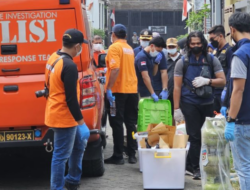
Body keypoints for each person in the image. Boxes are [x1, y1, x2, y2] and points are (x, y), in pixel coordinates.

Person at [173, 31, 226, 179]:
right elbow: (177, 87)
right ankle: (196, 168)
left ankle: (200, 164)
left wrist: (208, 81)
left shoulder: (211, 59)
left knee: (207, 136)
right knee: (195, 136)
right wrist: (176, 109)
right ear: (188, 45)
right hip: (189, 102)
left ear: (203, 43)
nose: (196, 46)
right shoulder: (182, 62)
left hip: (208, 102)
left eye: (198, 43)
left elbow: (222, 80)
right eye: (193, 44)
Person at [45, 29, 90, 190]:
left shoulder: (53, 57)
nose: (81, 49)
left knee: (79, 145)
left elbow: (47, 86)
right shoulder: (69, 65)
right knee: (60, 156)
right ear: (77, 46)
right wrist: (81, 123)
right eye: (81, 46)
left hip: (57, 111)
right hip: (64, 117)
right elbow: (71, 99)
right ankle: (57, 187)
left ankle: (72, 180)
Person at [104, 24, 138, 165]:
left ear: (113, 34)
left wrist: (109, 87)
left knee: (117, 123)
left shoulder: (114, 47)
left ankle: (118, 155)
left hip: (118, 91)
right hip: (132, 90)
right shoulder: (129, 48)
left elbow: (115, 69)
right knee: (130, 123)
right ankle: (132, 154)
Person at [224, 12, 250, 190]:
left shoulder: (240, 54)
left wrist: (231, 120)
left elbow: (238, 90)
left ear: (232, 30)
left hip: (243, 121)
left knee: (245, 168)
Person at [208, 25, 233, 114]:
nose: (211, 41)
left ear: (221, 36)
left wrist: (227, 90)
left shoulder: (229, 51)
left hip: (224, 91)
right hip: (214, 91)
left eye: (212, 39)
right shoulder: (215, 52)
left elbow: (231, 72)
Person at [135, 36, 168, 101]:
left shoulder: (149, 56)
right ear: (152, 46)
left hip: (148, 90)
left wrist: (156, 63)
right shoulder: (142, 57)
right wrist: (153, 93)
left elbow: (153, 74)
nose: (158, 53)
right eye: (158, 51)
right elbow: (145, 77)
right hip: (141, 91)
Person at [165, 38, 182, 116]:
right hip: (168, 91)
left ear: (177, 47)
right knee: (168, 116)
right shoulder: (164, 59)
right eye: (169, 47)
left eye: (173, 46)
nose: (171, 48)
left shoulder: (183, 59)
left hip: (181, 92)